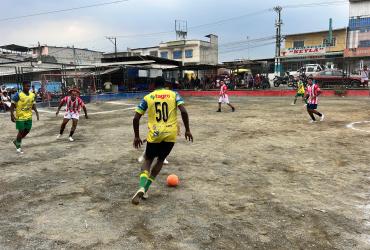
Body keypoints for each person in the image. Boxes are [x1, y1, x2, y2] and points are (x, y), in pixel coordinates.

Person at [132, 76, 193, 205]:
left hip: (155, 134)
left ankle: (142, 186)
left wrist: (137, 137)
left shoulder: (149, 97)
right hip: (171, 134)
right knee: (160, 160)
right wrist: (187, 130)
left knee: (148, 160)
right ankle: (146, 188)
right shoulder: (174, 94)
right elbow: (184, 111)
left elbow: (136, 118)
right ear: (165, 84)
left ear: (154, 85)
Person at [10, 81, 40, 154]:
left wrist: (36, 112)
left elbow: (33, 104)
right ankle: (18, 146)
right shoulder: (18, 95)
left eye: (29, 86)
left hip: (29, 116)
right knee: (21, 131)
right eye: (27, 86)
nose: (28, 87)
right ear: (23, 86)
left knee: (27, 130)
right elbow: (12, 105)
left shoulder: (32, 95)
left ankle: (16, 141)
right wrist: (12, 115)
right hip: (20, 117)